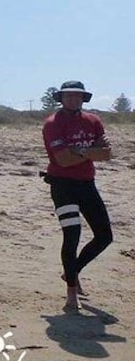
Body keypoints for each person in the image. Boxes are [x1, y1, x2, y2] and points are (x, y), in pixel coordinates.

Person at [42, 80, 113, 312]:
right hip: (62, 186)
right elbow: (63, 160)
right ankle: (71, 292)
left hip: (86, 184)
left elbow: (107, 155)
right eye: (68, 96)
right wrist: (90, 152)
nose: (73, 100)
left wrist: (80, 152)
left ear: (83, 99)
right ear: (61, 99)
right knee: (72, 235)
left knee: (104, 236)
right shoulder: (53, 123)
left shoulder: (93, 121)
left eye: (77, 96)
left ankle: (72, 271)